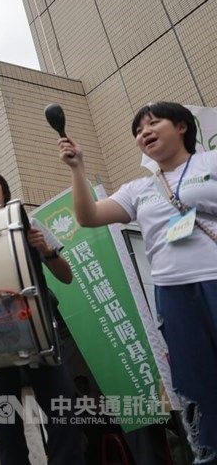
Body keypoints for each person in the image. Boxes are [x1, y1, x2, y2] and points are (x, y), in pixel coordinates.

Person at [59, 101, 217, 463]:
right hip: (172, 293)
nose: (144, 132)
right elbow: (89, 216)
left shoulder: (210, 163)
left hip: (214, 279)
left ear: (181, 126)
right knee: (197, 384)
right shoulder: (138, 189)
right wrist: (77, 168)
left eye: (153, 123)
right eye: (138, 130)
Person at [0, 170, 84, 465]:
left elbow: (65, 276)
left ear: (2, 189)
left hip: (39, 328)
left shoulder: (28, 222)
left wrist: (45, 248)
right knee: (5, 428)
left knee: (61, 415)